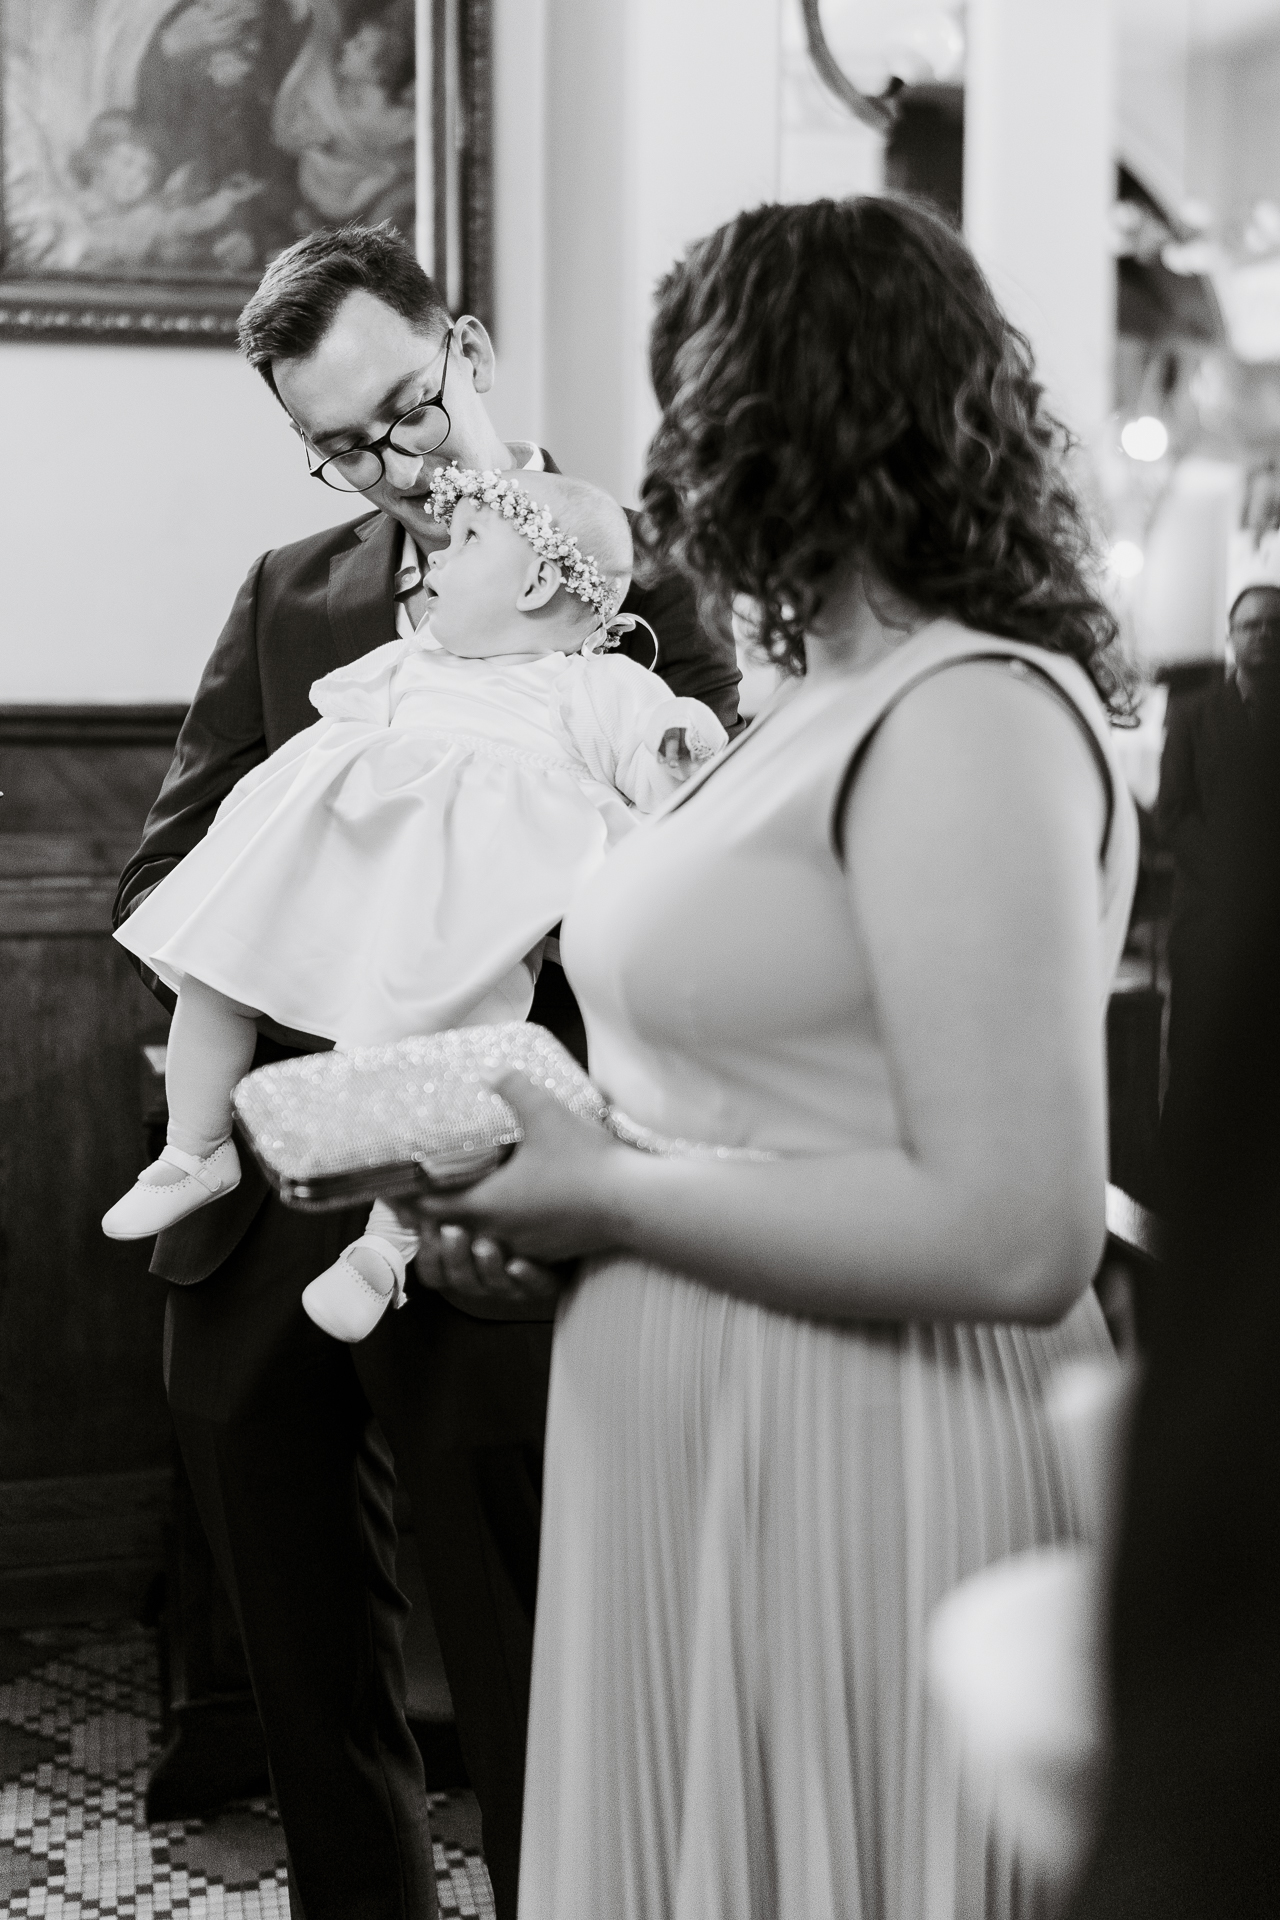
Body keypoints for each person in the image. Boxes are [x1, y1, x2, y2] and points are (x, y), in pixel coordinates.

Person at [395, 195, 1140, 1920]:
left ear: (781, 407)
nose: (668, 454)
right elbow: (749, 1104)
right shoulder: (796, 705)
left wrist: (614, 1201)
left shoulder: (967, 710)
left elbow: (1017, 1232)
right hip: (702, 1456)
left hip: (871, 1464)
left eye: (689, 400)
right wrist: (549, 1214)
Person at [111, 221, 739, 1920]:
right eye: (341, 446)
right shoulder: (291, 594)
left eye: (407, 409)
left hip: (496, 1195)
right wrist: (297, 978)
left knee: (535, 1668)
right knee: (307, 1679)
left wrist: (482, 993)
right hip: (266, 1203)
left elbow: (705, 893)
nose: (393, 465)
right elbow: (168, 865)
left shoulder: (641, 580)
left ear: (468, 348)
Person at [105, 464, 725, 1347]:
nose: (438, 553)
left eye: (467, 542)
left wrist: (678, 748)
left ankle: (387, 1248)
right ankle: (195, 1149)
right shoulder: (410, 661)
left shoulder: (592, 687)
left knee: (423, 1068)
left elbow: (661, 758)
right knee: (216, 969)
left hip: (455, 926)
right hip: (332, 898)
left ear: (536, 583)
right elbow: (329, 729)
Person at [1156, 551, 1280, 1189]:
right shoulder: (1194, 712)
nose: (1263, 635)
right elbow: (1172, 813)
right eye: (1250, 625)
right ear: (1231, 637)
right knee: (1199, 1063)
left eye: (1274, 626)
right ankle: (1180, 1192)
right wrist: (1230, 873)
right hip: (1209, 921)